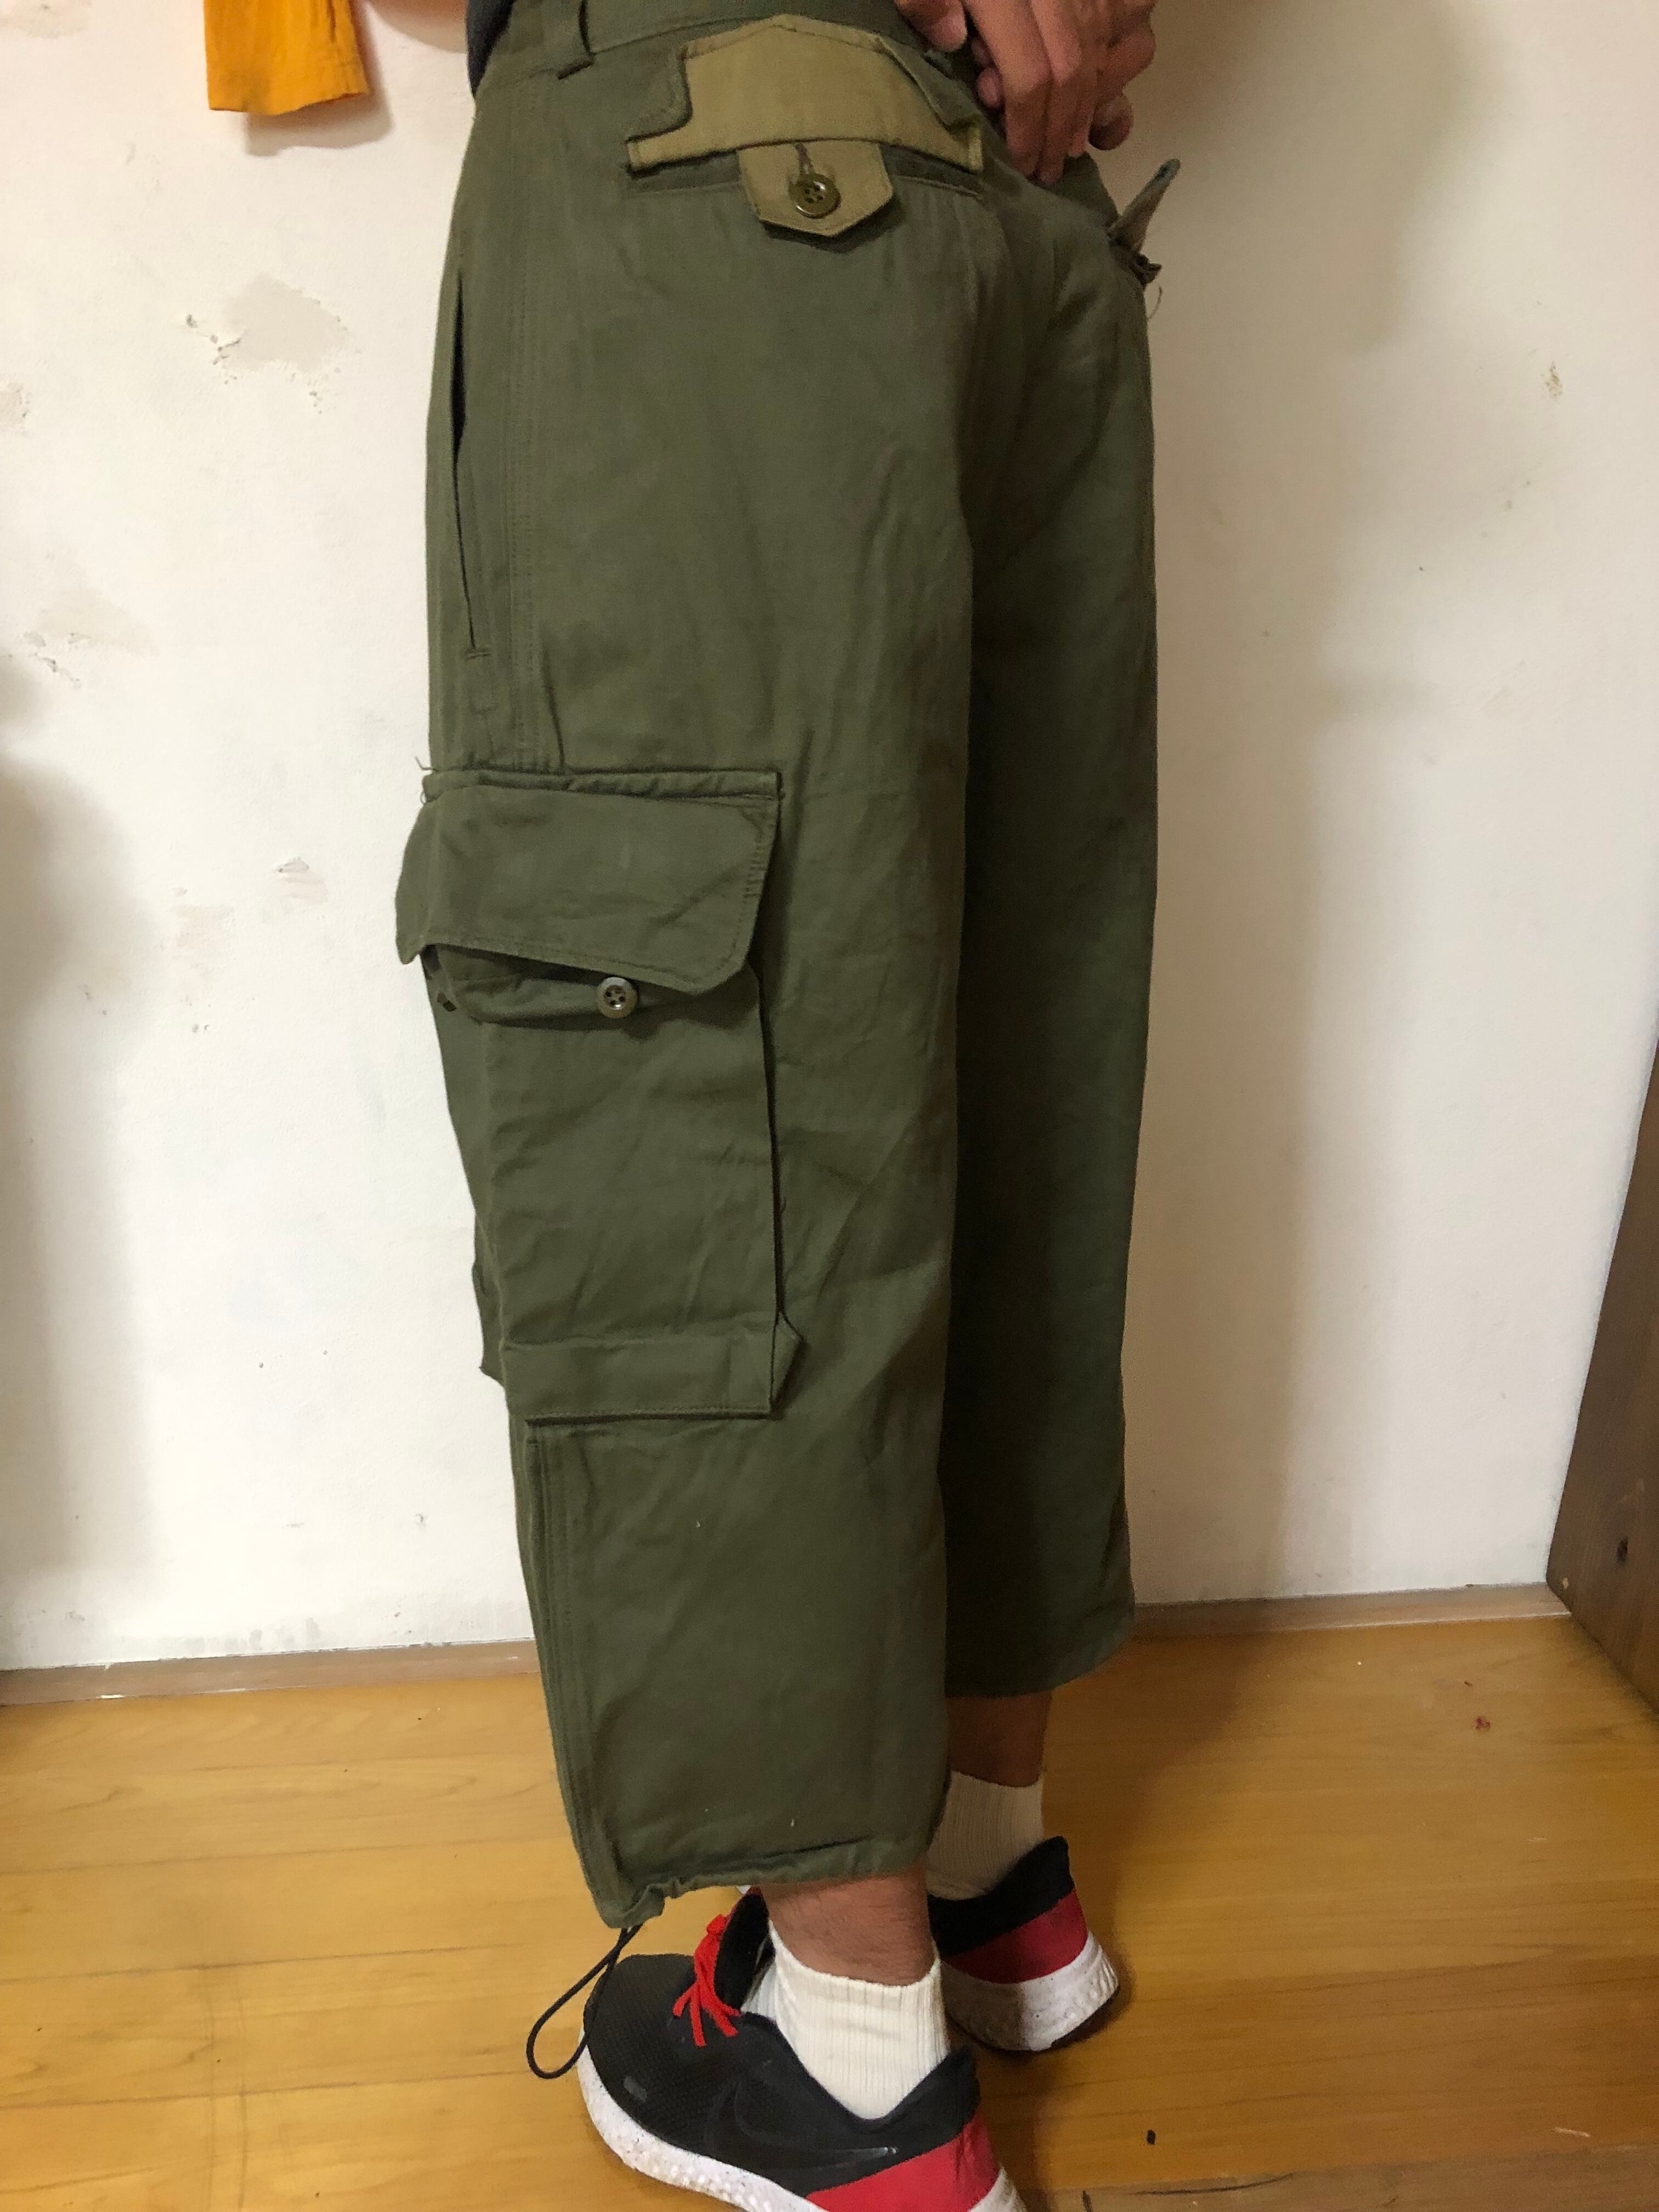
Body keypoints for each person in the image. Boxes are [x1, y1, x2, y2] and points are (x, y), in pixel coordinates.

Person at [394, 0, 1164, 2200]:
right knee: (997, 1010)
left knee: (723, 1066)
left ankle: (852, 2056)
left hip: (700, 165)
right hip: (1027, 204)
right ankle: (994, 1873)